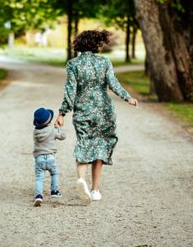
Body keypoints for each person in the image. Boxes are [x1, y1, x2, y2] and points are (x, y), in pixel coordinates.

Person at [55, 30, 138, 204]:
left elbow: (70, 90)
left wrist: (62, 113)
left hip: (83, 110)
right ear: (96, 45)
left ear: (79, 44)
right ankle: (95, 190)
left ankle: (81, 180)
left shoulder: (73, 64)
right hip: (104, 110)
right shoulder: (104, 62)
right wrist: (127, 97)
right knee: (100, 147)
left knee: (84, 143)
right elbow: (113, 83)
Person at [33, 107, 66, 207]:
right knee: (54, 173)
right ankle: (54, 191)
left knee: (39, 178)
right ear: (49, 121)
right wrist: (58, 128)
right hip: (51, 157)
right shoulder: (52, 130)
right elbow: (63, 136)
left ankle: (38, 195)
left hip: (39, 158)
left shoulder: (35, 132)